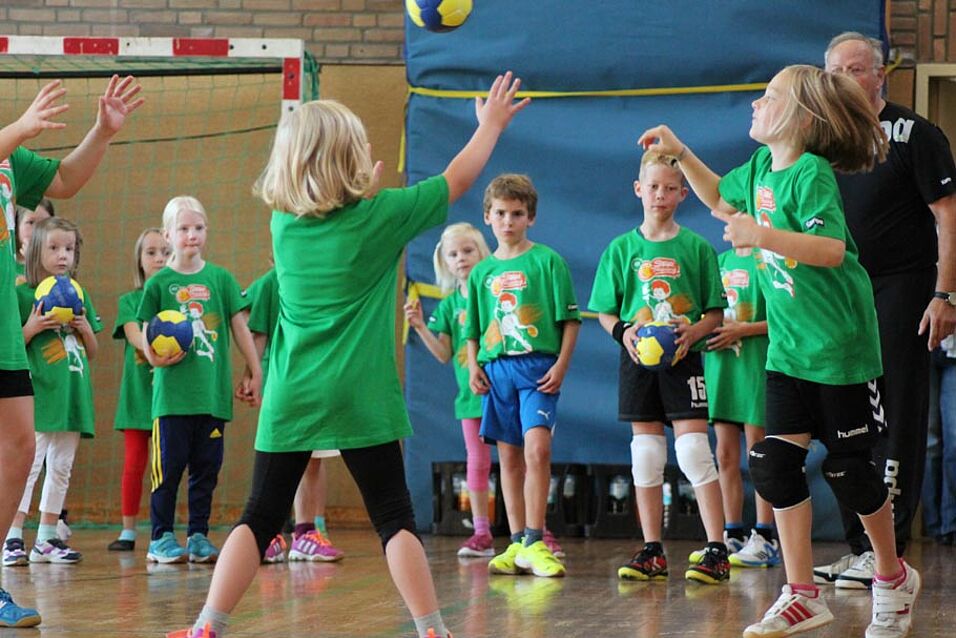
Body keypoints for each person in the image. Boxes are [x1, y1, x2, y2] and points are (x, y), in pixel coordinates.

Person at [166, 72, 528, 638]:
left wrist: (364, 194)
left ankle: (207, 625)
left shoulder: (283, 224)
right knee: (393, 517)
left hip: (292, 392)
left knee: (259, 516)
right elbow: (457, 178)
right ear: (352, 160)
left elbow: (336, 210)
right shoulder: (382, 215)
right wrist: (490, 125)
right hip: (361, 393)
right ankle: (433, 629)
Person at [639, 63, 921, 638]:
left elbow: (830, 249)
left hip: (840, 350)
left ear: (801, 116)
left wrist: (760, 235)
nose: (756, 103)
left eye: (768, 96)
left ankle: (892, 579)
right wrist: (681, 153)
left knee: (849, 471)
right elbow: (720, 199)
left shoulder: (810, 173)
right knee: (772, 464)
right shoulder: (760, 167)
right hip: (788, 351)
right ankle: (801, 594)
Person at [811, 31, 956, 590]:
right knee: (846, 416)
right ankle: (859, 549)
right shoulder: (820, 141)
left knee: (896, 413)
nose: (845, 79)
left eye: (856, 69)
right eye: (835, 70)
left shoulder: (915, 134)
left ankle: (887, 550)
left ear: (880, 76)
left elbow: (948, 215)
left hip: (901, 290)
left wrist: (945, 295)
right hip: (839, 294)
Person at [0, 74, 142, 627]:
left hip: (5, 330)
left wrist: (102, 132)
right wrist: (20, 128)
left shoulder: (11, 157)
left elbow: (64, 179)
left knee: (19, 447)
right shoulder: (9, 140)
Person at [588, 151, 729, 584]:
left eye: (670, 188)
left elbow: (715, 313)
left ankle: (717, 549)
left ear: (684, 194)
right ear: (638, 189)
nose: (660, 195)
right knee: (646, 455)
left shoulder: (697, 248)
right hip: (638, 361)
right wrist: (624, 333)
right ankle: (652, 551)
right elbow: (605, 312)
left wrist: (693, 332)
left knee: (693, 452)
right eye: (653, 187)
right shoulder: (621, 249)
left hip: (684, 360)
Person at [465, 173, 581, 579]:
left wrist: (560, 366)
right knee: (509, 457)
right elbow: (473, 330)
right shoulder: (481, 273)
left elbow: (570, 321)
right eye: (500, 213)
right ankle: (516, 542)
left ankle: (535, 538)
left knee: (538, 450)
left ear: (530, 217)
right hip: (497, 372)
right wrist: (474, 365)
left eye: (516, 213)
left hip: (537, 369)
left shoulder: (548, 262)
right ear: (487, 216)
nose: (508, 221)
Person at [138, 196, 262, 565]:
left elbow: (239, 326)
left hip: (211, 398)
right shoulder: (160, 283)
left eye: (198, 228)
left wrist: (255, 369)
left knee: (206, 471)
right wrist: (153, 356)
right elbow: (146, 329)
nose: (192, 235)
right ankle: (160, 537)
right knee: (168, 470)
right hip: (172, 400)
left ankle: (198, 535)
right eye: (183, 229)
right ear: (168, 235)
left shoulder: (221, 279)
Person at [5, 217, 99, 566]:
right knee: (28, 468)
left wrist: (84, 328)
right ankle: (12, 536)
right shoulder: (21, 295)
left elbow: (92, 351)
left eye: (69, 249)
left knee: (61, 467)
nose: (63, 255)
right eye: (55, 248)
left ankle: (46, 537)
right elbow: (12, 346)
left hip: (72, 397)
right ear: (34, 252)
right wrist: (32, 326)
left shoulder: (79, 294)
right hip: (39, 397)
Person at [406, 222, 497, 557]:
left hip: (505, 393)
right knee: (477, 461)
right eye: (453, 254)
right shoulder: (448, 307)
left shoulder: (495, 294)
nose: (461, 258)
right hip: (471, 397)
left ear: (482, 252)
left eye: (468, 251)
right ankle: (482, 532)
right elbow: (444, 354)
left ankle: (535, 532)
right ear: (444, 262)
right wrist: (419, 327)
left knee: (519, 459)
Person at [244, 266, 344, 564]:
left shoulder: (319, 277)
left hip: (314, 380)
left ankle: (306, 532)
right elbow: (256, 331)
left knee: (313, 458)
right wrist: (252, 374)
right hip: (280, 384)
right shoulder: (269, 284)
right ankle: (270, 533)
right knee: (276, 458)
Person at [704, 247, 778, 568]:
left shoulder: (767, 260)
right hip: (721, 365)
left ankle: (765, 536)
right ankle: (732, 532)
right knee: (724, 454)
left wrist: (743, 329)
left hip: (754, 362)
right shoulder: (719, 262)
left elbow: (783, 315)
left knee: (758, 451)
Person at [107, 228, 170, 551]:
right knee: (134, 464)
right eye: (151, 252)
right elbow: (134, 335)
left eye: (166, 252)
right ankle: (128, 531)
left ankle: (163, 530)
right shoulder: (129, 301)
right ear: (139, 260)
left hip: (169, 399)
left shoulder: (177, 301)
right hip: (137, 396)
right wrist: (158, 352)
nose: (160, 258)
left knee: (166, 467)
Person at [922, 333, 956, 545]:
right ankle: (934, 525)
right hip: (920, 348)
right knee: (928, 442)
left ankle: (951, 523)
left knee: (954, 440)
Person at [13, 199, 54, 284]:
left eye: (45, 223)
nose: (37, 229)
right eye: (31, 222)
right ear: (17, 226)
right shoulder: (6, 262)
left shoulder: (56, 264)